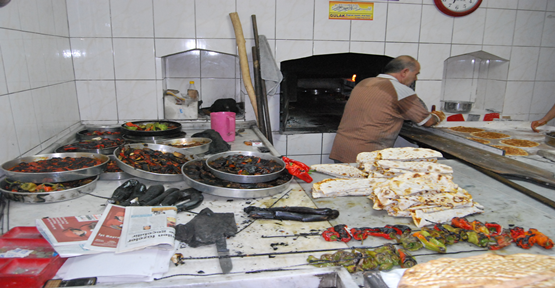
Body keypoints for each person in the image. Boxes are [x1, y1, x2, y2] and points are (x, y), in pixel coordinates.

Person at [329, 55, 444, 163]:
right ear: (405, 72)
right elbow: (427, 121)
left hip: (341, 149)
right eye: (415, 74)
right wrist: (437, 116)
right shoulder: (400, 90)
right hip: (367, 155)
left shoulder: (364, 83)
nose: (415, 78)